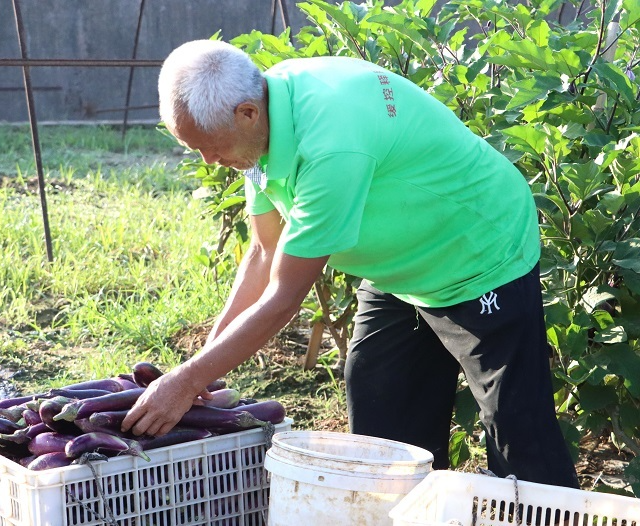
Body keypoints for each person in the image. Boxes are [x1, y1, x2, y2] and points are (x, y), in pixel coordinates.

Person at [121, 39, 580, 488]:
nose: (209, 159)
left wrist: (189, 380)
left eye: (210, 145)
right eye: (194, 148)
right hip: (401, 267)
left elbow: (283, 298)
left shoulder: (330, 142)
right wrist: (200, 367)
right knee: (383, 421)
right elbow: (263, 253)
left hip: (477, 251)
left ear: (247, 112)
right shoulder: (257, 124)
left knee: (519, 436)